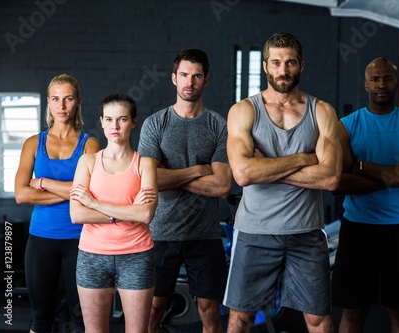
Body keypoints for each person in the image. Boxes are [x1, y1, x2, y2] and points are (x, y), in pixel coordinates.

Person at [223, 31, 342, 333]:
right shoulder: (244, 111)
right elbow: (243, 175)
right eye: (276, 63)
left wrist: (265, 165)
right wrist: (303, 159)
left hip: (306, 233)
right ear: (265, 66)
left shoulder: (322, 111)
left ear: (301, 65)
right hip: (255, 232)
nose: (283, 70)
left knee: (319, 320)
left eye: (290, 63)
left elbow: (330, 178)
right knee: (241, 319)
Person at [331, 57, 399, 332]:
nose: (381, 84)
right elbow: (338, 183)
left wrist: (364, 167)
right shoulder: (347, 125)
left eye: (387, 78)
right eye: (375, 79)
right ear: (366, 85)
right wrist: (397, 176)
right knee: (353, 313)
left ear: (396, 82)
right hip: (358, 228)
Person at [137, 48, 233, 333]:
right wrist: (197, 169)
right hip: (160, 232)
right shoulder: (155, 124)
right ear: (173, 78)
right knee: (153, 309)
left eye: (196, 76)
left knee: (210, 312)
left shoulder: (219, 125)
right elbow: (149, 180)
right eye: (184, 75)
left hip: (204, 234)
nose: (189, 81)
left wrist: (168, 175)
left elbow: (223, 185)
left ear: (206, 81)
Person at [14, 73, 101, 333]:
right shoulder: (33, 143)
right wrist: (74, 191)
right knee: (40, 318)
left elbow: (93, 196)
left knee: (81, 321)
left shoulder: (91, 144)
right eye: (56, 99)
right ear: (49, 103)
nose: (62, 106)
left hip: (81, 242)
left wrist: (42, 182)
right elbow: (21, 194)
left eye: (68, 99)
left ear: (78, 103)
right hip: (40, 241)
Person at [69, 93, 158, 332]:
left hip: (137, 256)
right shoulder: (87, 162)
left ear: (134, 121)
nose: (114, 126)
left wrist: (95, 203)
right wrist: (129, 212)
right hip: (92, 256)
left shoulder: (145, 164)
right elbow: (77, 215)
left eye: (122, 119)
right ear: (101, 122)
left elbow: (146, 215)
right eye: (108, 119)